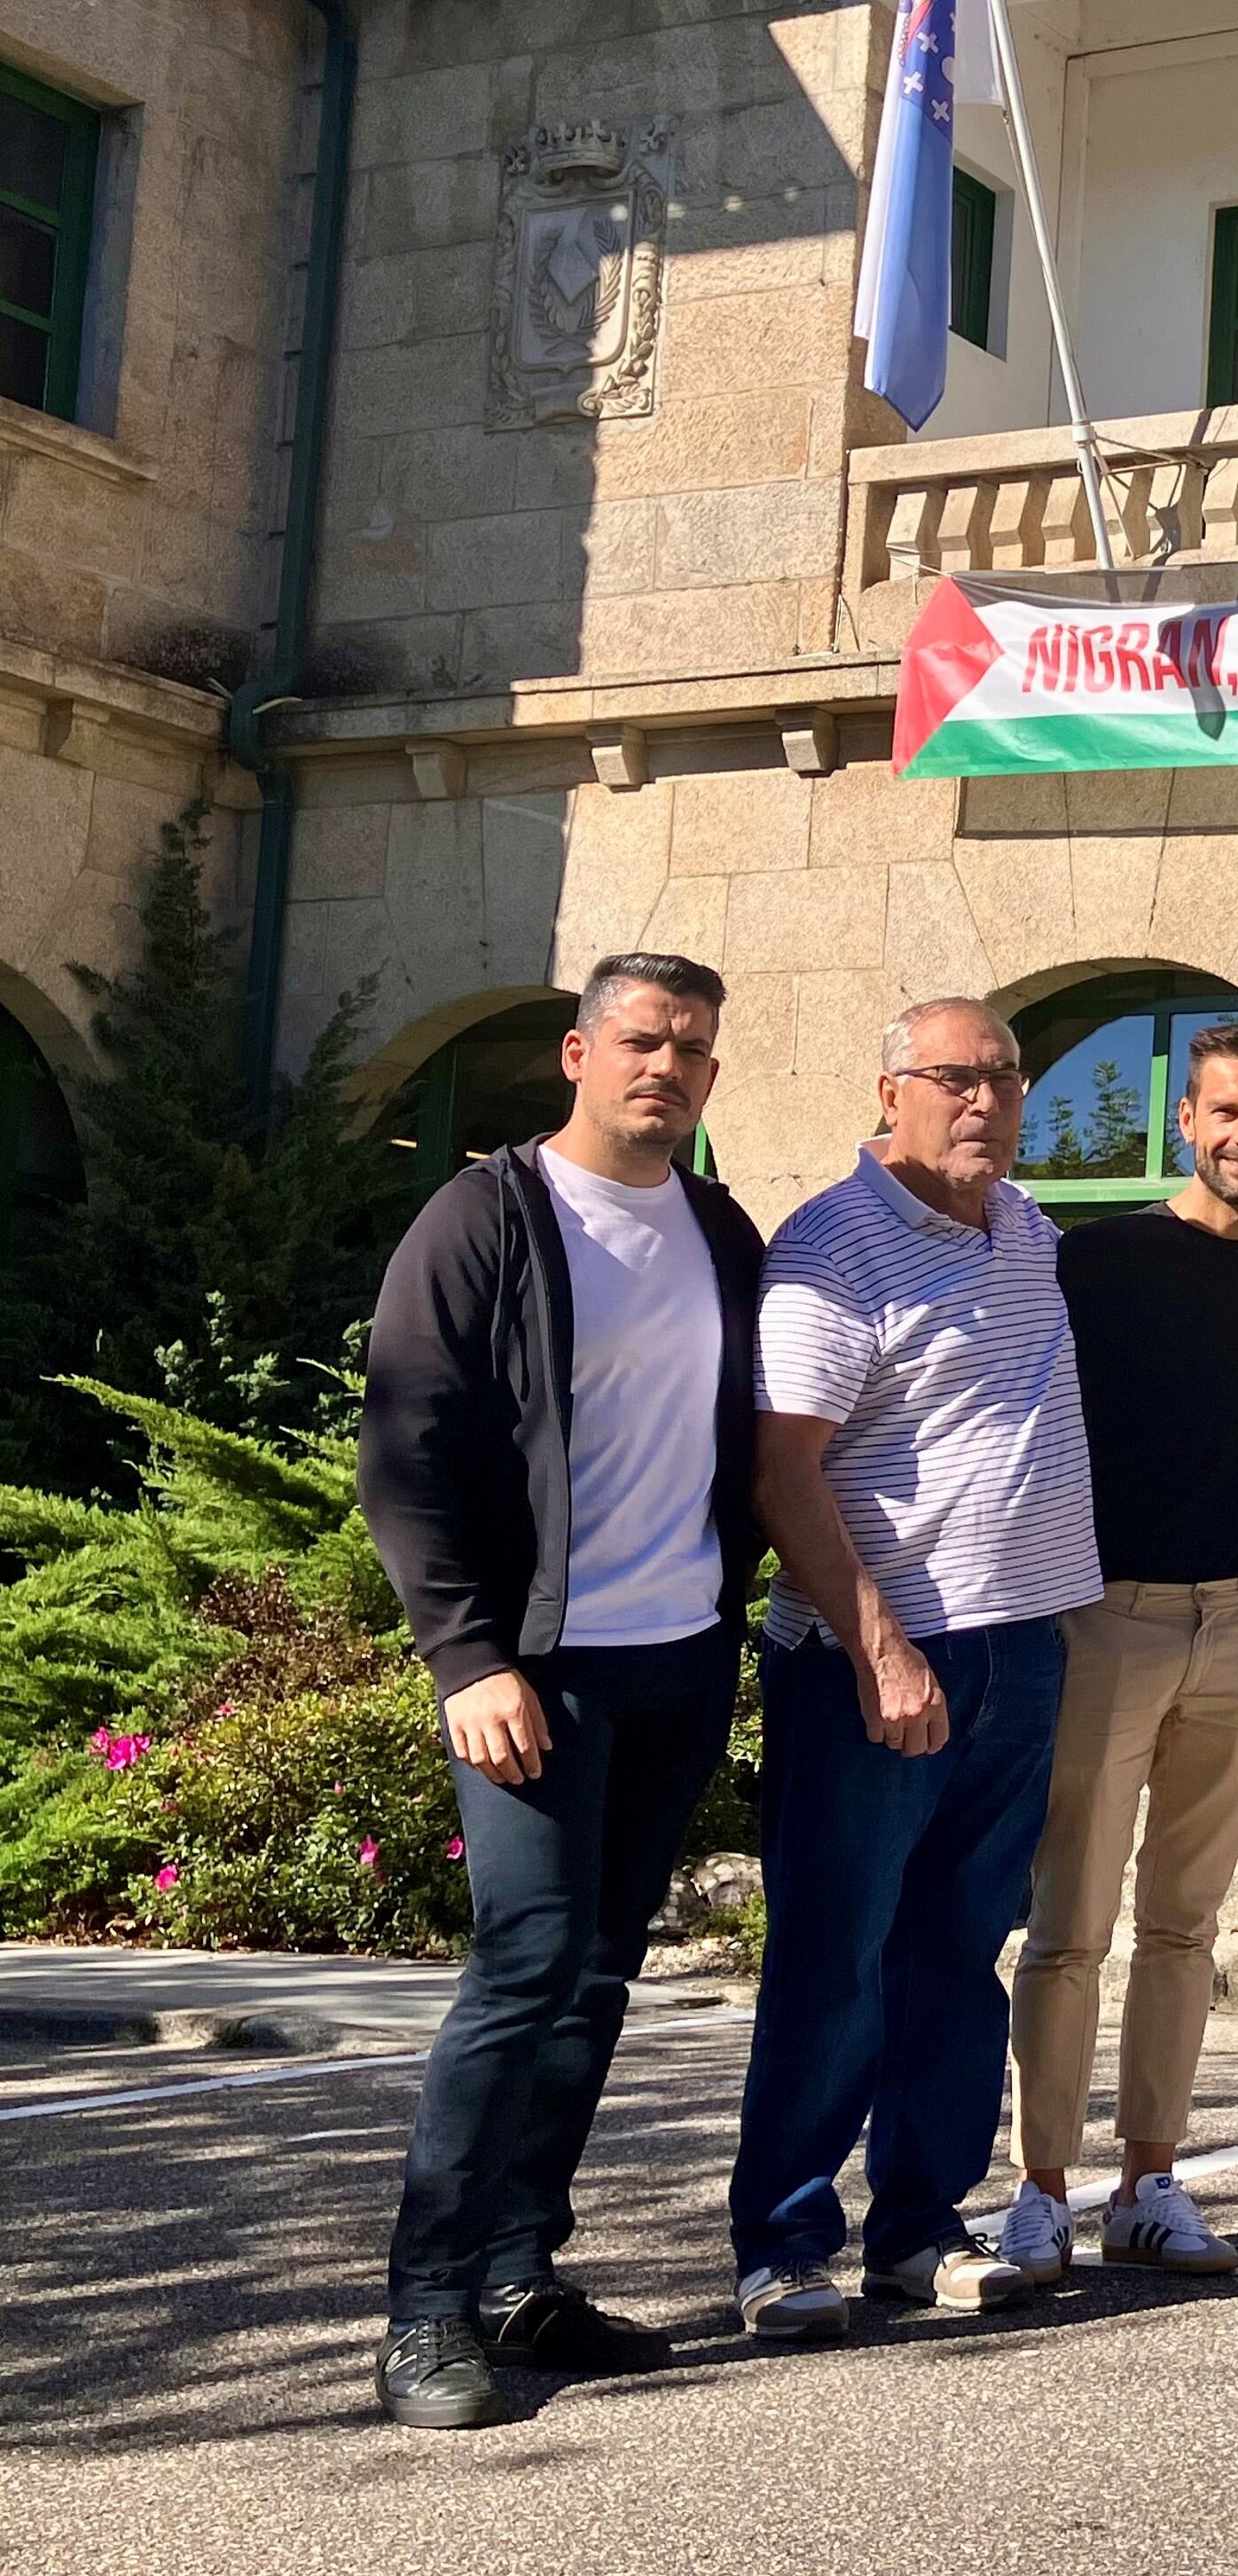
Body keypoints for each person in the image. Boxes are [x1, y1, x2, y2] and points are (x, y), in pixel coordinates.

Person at [358, 953, 765, 2430]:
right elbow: (408, 1453)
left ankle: (524, 2276)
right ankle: (425, 2310)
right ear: (581, 1052)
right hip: (535, 1670)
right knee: (522, 1968)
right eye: (644, 1039)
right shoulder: (485, 1217)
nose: (668, 1064)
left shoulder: (718, 1228)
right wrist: (468, 1657)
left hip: (677, 1658)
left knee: (596, 1975)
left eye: (695, 1048)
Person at [729, 997, 1104, 2339]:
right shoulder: (835, 1247)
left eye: (1005, 1076)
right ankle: (780, 2244)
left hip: (1020, 1648)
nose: (987, 1100)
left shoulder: (1025, 1229)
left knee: (958, 1948)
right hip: (872, 1659)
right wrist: (882, 1645)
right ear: (888, 1088)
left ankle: (920, 2229)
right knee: (835, 1958)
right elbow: (786, 1469)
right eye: (956, 1077)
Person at [996, 1021, 1238, 2287]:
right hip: (1108, 1617)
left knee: (1186, 1926)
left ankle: (1150, 2184)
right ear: (1184, 1123)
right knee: (1068, 1924)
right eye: (1227, 1115)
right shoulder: (1096, 1262)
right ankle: (1039, 2194)